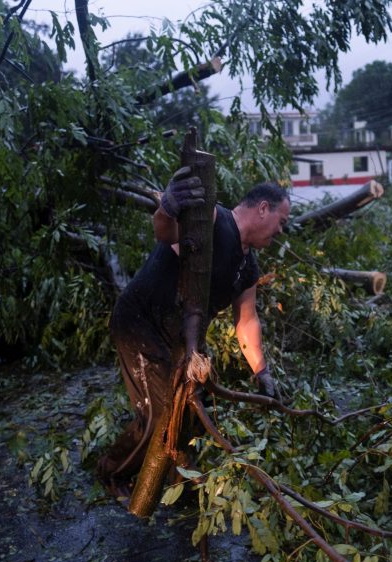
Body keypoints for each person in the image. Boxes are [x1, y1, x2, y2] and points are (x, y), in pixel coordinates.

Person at [99, 167, 290, 493]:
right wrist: (168, 207)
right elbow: (166, 232)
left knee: (187, 412)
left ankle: (176, 483)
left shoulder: (249, 266)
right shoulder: (214, 220)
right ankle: (111, 473)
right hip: (141, 322)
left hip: (181, 340)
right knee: (159, 413)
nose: (281, 231)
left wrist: (263, 373)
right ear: (262, 209)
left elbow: (246, 321)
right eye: (281, 221)